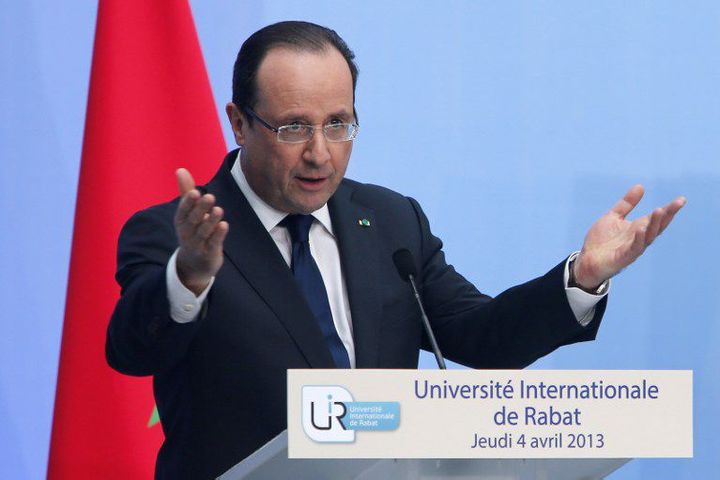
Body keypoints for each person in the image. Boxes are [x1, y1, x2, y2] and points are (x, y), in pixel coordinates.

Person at [106, 21, 685, 480]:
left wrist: (581, 278)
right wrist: (190, 276)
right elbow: (133, 350)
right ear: (238, 122)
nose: (320, 154)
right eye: (292, 128)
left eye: (339, 124)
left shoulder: (388, 221)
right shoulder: (171, 236)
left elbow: (482, 337)